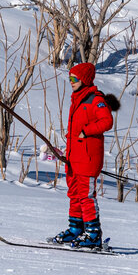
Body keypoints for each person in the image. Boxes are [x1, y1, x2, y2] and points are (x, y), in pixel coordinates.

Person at [52, 62, 113, 248]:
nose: (71, 81)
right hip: (74, 157)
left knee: (86, 195)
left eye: (74, 79)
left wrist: (87, 131)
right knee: (74, 194)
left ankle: (93, 233)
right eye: (69, 78)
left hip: (88, 158)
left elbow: (107, 121)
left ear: (84, 79)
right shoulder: (77, 99)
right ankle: (76, 229)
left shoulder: (95, 99)